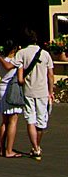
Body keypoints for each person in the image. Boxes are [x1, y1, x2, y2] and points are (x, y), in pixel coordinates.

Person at [15, 29, 54, 160]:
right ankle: (37, 146)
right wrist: (51, 92)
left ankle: (35, 148)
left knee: (30, 119)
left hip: (28, 91)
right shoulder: (45, 54)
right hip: (42, 91)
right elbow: (50, 75)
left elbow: (20, 79)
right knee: (41, 120)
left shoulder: (21, 54)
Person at [0, 38, 23, 158]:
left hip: (2, 88)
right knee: (13, 121)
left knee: (4, 121)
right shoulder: (17, 61)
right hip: (12, 89)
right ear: (14, 49)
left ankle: (2, 148)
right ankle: (9, 150)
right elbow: (19, 78)